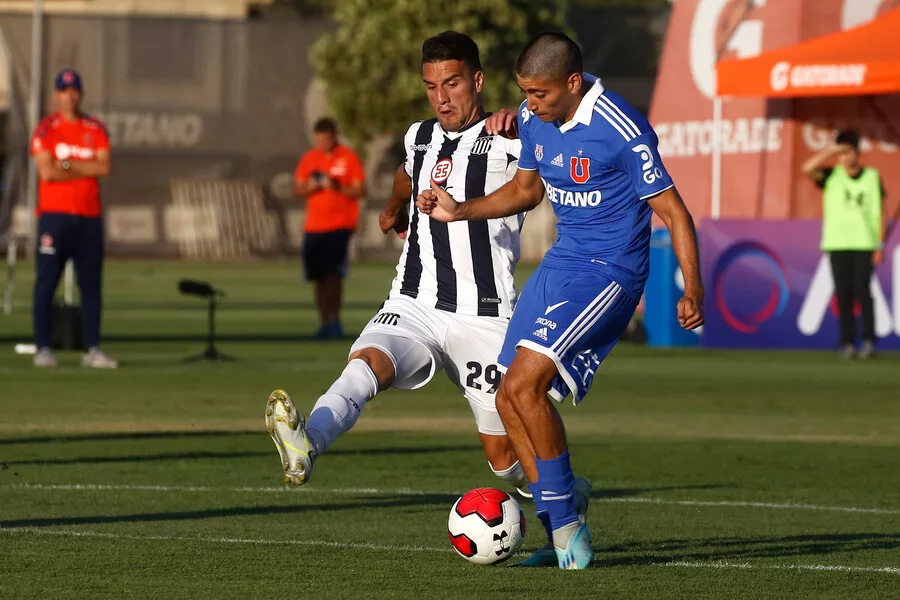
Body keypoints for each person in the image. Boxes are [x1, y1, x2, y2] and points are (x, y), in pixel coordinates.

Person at [265, 31, 592, 509]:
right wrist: (397, 206)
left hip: (484, 313)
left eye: (453, 84)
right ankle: (307, 445)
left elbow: (549, 155)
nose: (442, 97)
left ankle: (557, 492)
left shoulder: (512, 137)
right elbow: (407, 169)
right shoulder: (419, 137)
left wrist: (523, 125)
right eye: (432, 86)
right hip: (414, 300)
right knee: (366, 365)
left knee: (503, 458)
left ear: (477, 81)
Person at [418, 32, 704, 569]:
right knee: (507, 397)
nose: (528, 104)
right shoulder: (533, 119)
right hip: (560, 265)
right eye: (524, 92)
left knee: (527, 385)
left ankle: (568, 531)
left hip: (610, 273)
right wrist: (460, 210)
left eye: (539, 94)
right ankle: (558, 523)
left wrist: (693, 287)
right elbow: (526, 191)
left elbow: (675, 212)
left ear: (572, 83)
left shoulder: (621, 128)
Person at [30, 68, 117, 369]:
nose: (70, 96)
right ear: (57, 95)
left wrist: (67, 162)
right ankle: (43, 348)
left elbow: (104, 167)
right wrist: (83, 164)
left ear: (80, 93)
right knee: (46, 283)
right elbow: (47, 172)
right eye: (65, 90)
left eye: (75, 90)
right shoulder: (46, 129)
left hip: (88, 216)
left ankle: (92, 347)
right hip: (54, 217)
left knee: (91, 286)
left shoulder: (94, 128)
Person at [802, 129, 885, 359]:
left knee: (864, 291)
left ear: (858, 152)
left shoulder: (871, 177)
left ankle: (868, 340)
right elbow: (807, 169)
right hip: (837, 243)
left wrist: (880, 244)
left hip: (864, 243)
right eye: (843, 153)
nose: (846, 157)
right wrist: (831, 151)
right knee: (843, 293)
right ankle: (847, 342)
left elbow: (880, 211)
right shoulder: (831, 176)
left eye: (850, 152)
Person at [294, 117, 366, 339]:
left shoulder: (348, 157)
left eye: (326, 138)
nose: (323, 143)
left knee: (333, 275)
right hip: (314, 227)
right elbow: (297, 190)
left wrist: (336, 186)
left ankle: (335, 320)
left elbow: (359, 190)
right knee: (318, 277)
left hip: (339, 226)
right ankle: (324, 321)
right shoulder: (310, 159)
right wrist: (312, 186)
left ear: (334, 136)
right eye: (319, 139)